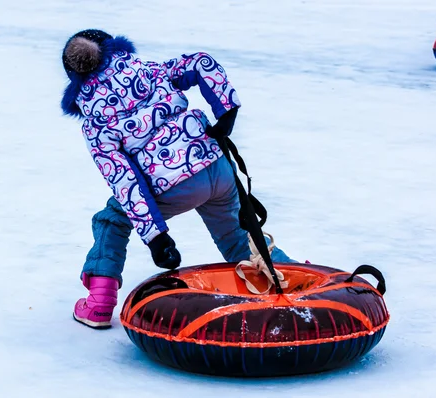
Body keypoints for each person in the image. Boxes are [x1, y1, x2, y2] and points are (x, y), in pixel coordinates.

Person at [61, 29, 295, 329]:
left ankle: (99, 303)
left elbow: (124, 180)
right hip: (216, 165)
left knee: (113, 219)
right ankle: (293, 279)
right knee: (237, 234)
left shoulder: (96, 122)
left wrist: (156, 237)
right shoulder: (147, 69)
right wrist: (226, 112)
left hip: (173, 185)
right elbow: (200, 63)